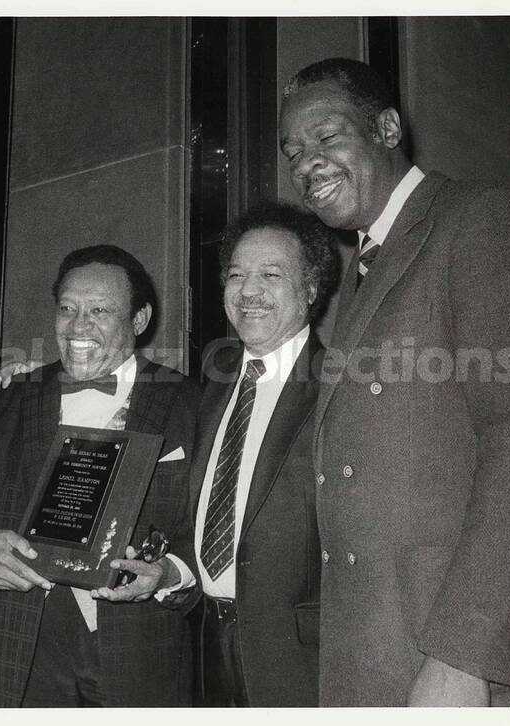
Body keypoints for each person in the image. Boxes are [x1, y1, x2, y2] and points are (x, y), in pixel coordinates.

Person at [278, 57, 510, 706]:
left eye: (327, 139)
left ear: (387, 129)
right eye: (294, 152)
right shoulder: (365, 266)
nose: (307, 165)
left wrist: (465, 655)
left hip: (443, 654)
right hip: (373, 653)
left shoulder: (480, 220)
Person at [0, 245, 201, 706]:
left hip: (140, 651)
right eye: (68, 308)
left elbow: (212, 527)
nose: (79, 326)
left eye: (100, 310)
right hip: (21, 642)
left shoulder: (191, 402)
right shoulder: (14, 396)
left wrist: (169, 573)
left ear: (139, 320)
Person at [191, 203, 339, 707]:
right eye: (236, 275)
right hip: (204, 648)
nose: (248, 291)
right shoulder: (211, 381)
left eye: (270, 275)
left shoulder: (342, 385)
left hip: (299, 661)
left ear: (312, 289)